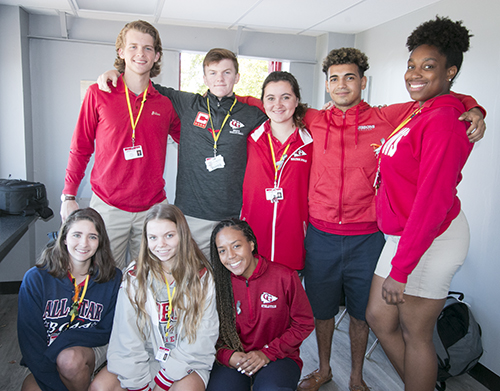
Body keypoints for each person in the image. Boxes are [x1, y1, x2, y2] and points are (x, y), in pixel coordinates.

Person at [237, 49, 485, 391]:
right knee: (322, 311)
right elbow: (265, 101)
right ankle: (324, 369)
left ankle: (356, 377)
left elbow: (439, 98)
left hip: (368, 237)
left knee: (361, 314)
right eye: (334, 79)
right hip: (321, 236)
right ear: (326, 85)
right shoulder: (311, 118)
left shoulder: (387, 117)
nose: (341, 85)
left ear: (363, 82)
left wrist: (473, 106)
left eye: (350, 77)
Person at [365, 16, 476, 391]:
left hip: (431, 237)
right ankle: (423, 383)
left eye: (428, 67)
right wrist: (474, 105)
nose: (414, 74)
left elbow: (432, 203)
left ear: (450, 71)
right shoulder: (419, 110)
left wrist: (402, 269)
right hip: (403, 234)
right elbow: (456, 99)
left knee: (417, 334)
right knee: (379, 317)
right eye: (411, 65)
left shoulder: (444, 121)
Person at [97, 48, 268, 256]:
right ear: (204, 78)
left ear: (237, 77)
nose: (220, 79)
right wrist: (117, 74)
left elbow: (281, 115)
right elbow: (143, 86)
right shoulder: (188, 104)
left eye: (227, 72)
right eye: (213, 73)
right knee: (190, 278)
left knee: (225, 280)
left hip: (231, 216)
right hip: (190, 215)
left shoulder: (252, 114)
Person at [61, 20, 181, 269]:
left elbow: (194, 143)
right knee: (103, 278)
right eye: (133, 46)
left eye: (148, 48)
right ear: (121, 52)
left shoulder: (165, 104)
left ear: (157, 56)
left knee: (149, 281)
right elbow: (81, 146)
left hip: (153, 209)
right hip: (108, 207)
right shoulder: (99, 93)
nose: (141, 54)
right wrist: (68, 195)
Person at [90, 204, 218, 391]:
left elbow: (203, 337)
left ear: (182, 234)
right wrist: (138, 385)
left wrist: (164, 380)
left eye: (169, 236)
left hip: (184, 361)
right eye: (153, 237)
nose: (161, 244)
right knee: (100, 387)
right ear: (146, 240)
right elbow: (126, 337)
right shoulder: (135, 275)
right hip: (144, 357)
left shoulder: (201, 276)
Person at [17, 208, 122, 391]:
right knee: (29, 388)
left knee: (70, 361)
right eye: (77, 235)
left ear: (100, 242)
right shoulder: (36, 279)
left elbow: (107, 331)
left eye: (92, 237)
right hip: (48, 354)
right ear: (64, 238)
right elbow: (30, 340)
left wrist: (64, 340)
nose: (84, 243)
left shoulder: (112, 278)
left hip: (91, 349)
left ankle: (91, 376)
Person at [207, 218, 314, 391]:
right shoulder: (216, 284)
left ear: (251, 244)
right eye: (222, 251)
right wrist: (227, 356)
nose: (230, 256)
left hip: (279, 357)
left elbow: (304, 323)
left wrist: (267, 353)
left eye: (236, 246)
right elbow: (207, 332)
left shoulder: (285, 277)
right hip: (235, 357)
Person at [240, 71, 312, 271]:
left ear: (297, 100)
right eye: (271, 98)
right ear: (262, 102)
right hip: (254, 241)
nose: (278, 104)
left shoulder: (310, 142)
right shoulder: (249, 139)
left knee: (288, 298)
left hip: (293, 243)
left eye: (286, 97)